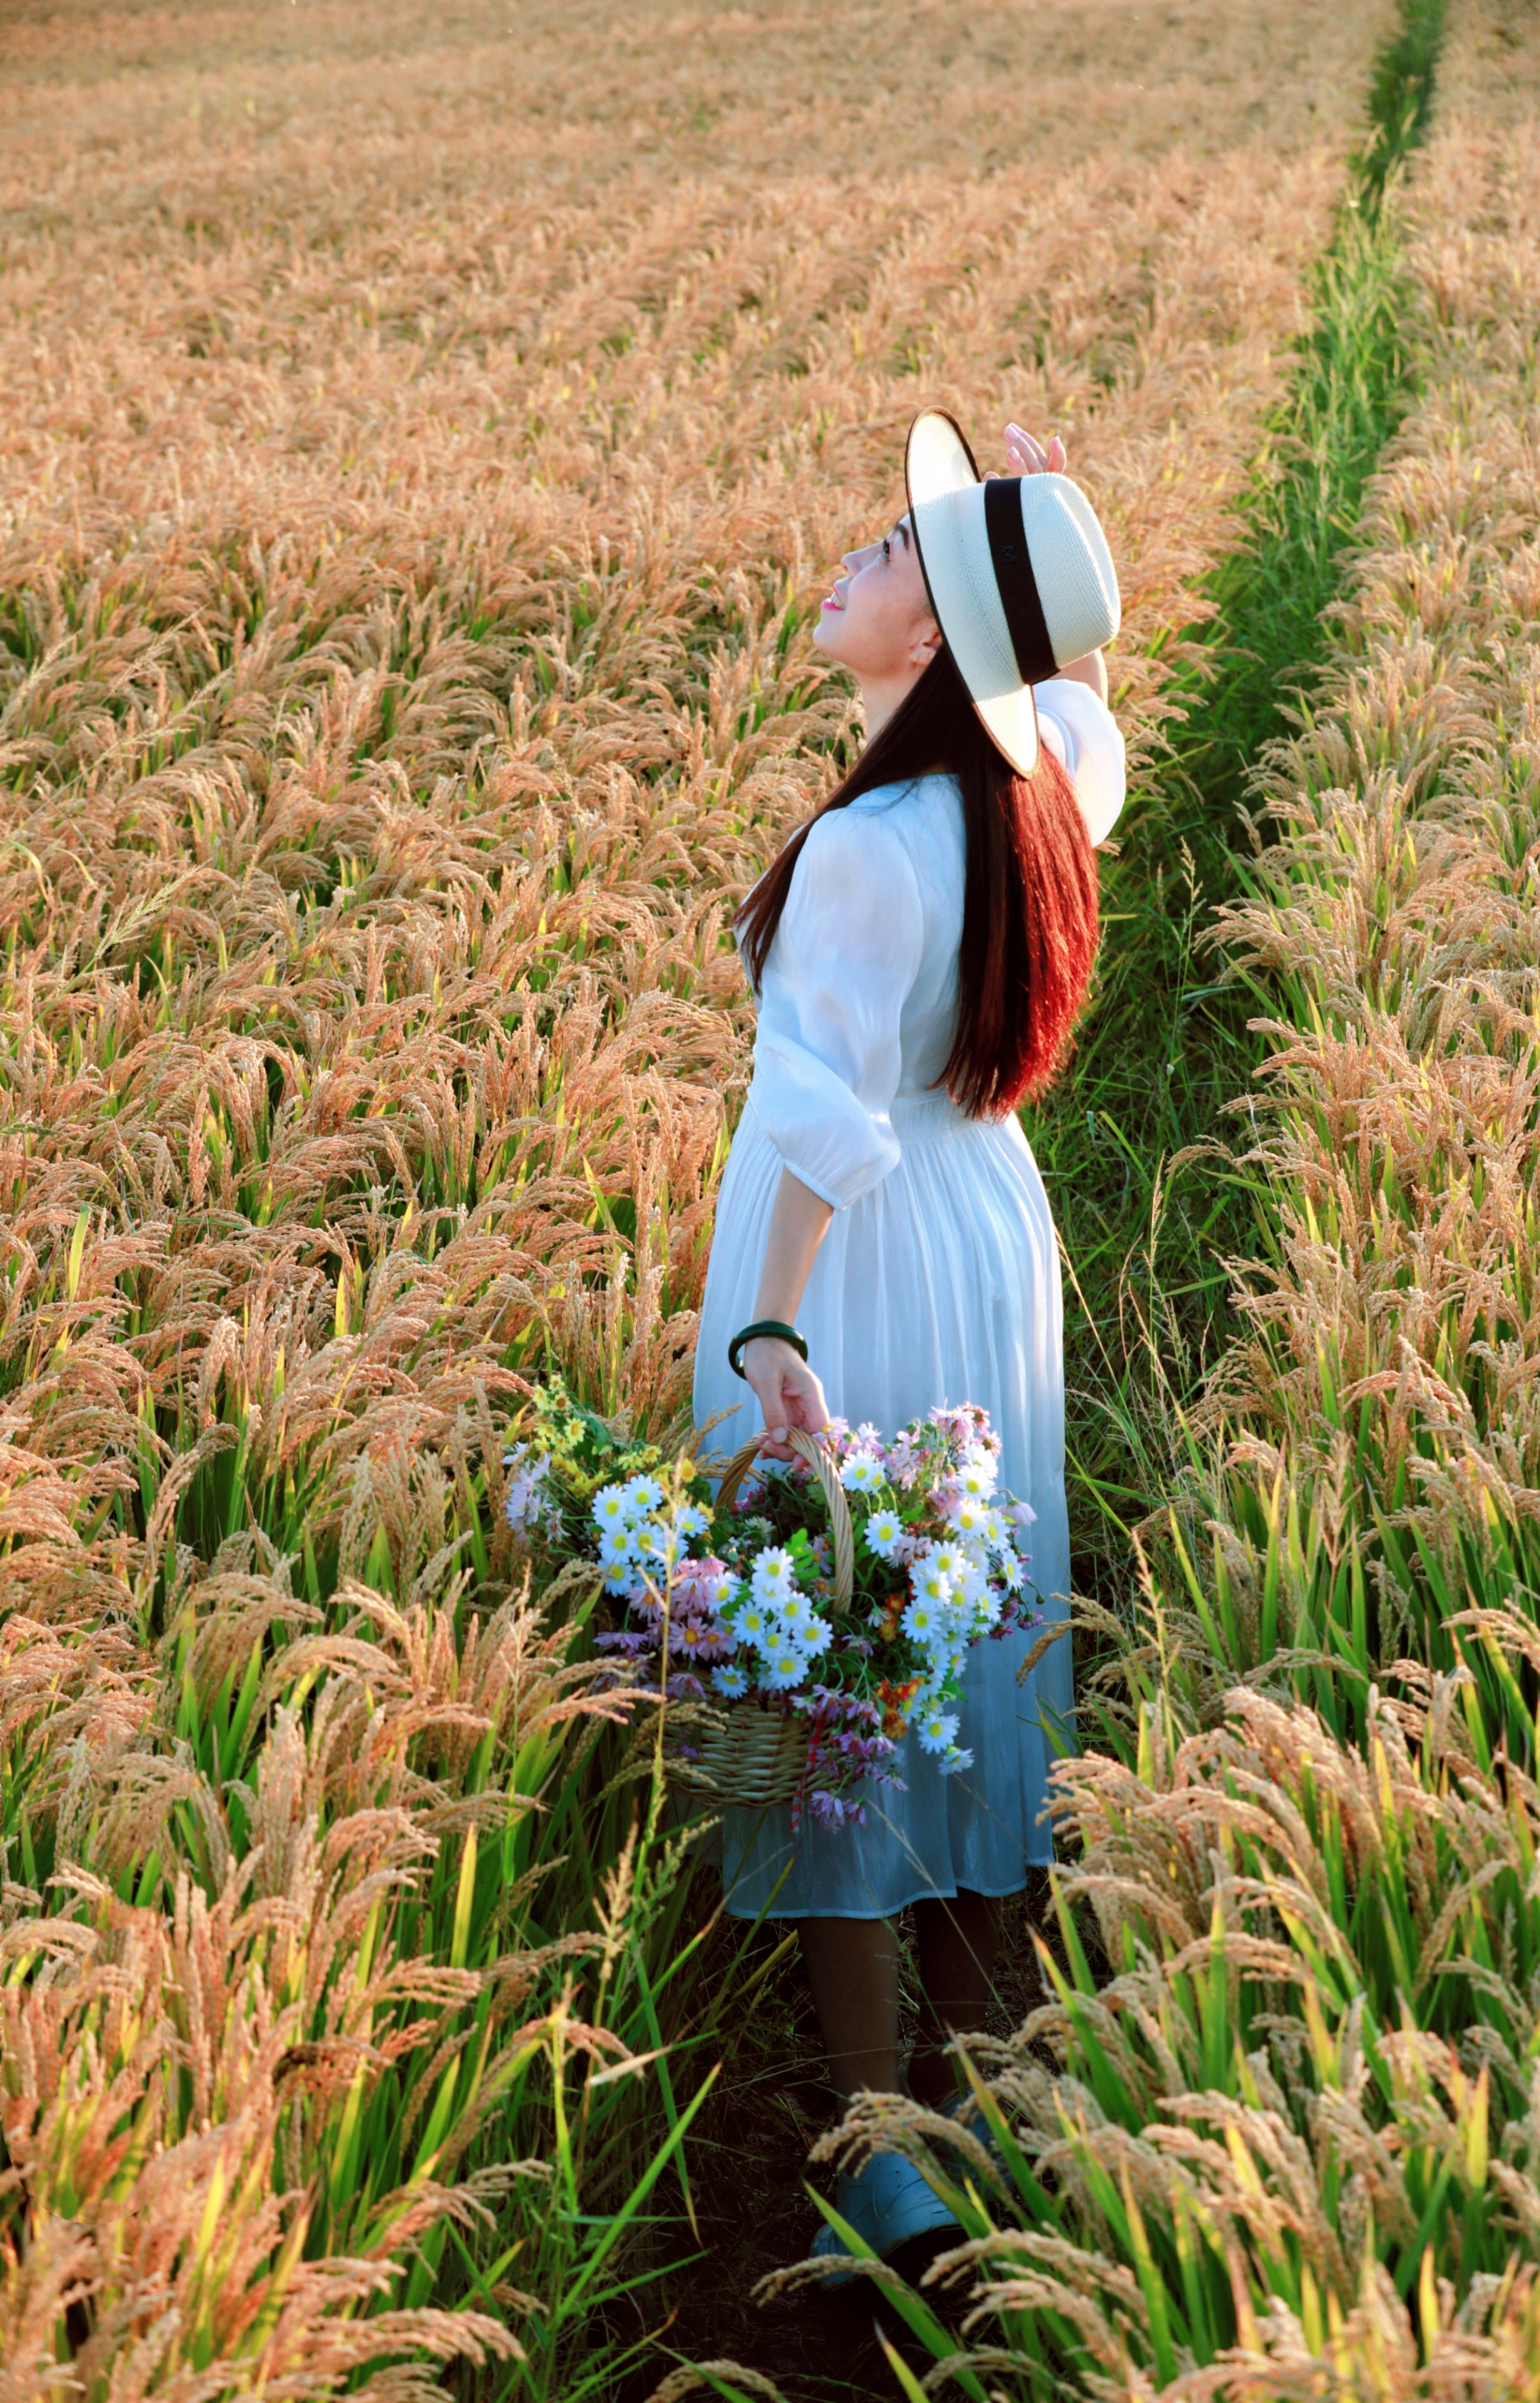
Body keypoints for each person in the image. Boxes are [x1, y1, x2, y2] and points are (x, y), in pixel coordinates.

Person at [692, 409, 1126, 2270]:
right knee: (964, 1634)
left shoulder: (876, 838)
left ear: (939, 639)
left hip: (860, 1254)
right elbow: (1095, 716)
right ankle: (985, 2088)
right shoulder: (1037, 791)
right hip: (991, 1236)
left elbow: (816, 1109)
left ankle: (878, 2139)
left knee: (844, 1665)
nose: (854, 557)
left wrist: (776, 1321)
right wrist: (1044, 573)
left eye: (895, 550)